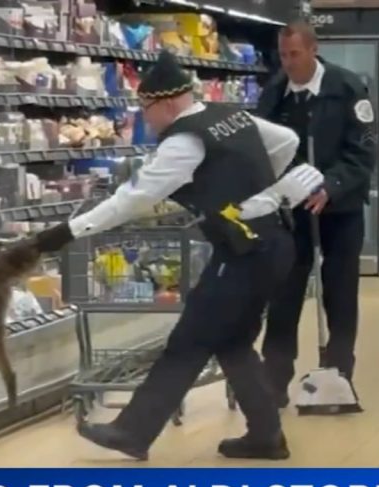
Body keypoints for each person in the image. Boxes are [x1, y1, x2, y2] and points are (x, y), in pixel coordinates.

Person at [32, 50, 325, 460]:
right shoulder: (229, 115)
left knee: (189, 340)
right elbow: (286, 141)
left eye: (144, 108)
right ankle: (266, 434)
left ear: (167, 103)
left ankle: (133, 431)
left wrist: (67, 232)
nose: (144, 118)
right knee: (234, 342)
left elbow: (133, 198)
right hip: (275, 243)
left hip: (242, 253)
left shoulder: (185, 141)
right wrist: (259, 189)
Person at [255, 21, 377, 409]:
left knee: (340, 294)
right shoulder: (275, 93)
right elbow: (263, 148)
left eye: (294, 54)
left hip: (340, 210)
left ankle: (338, 376)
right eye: (283, 55)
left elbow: (362, 153)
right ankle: (274, 380)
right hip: (293, 211)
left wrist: (331, 185)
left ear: (313, 49)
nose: (288, 63)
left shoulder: (346, 88)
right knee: (284, 292)